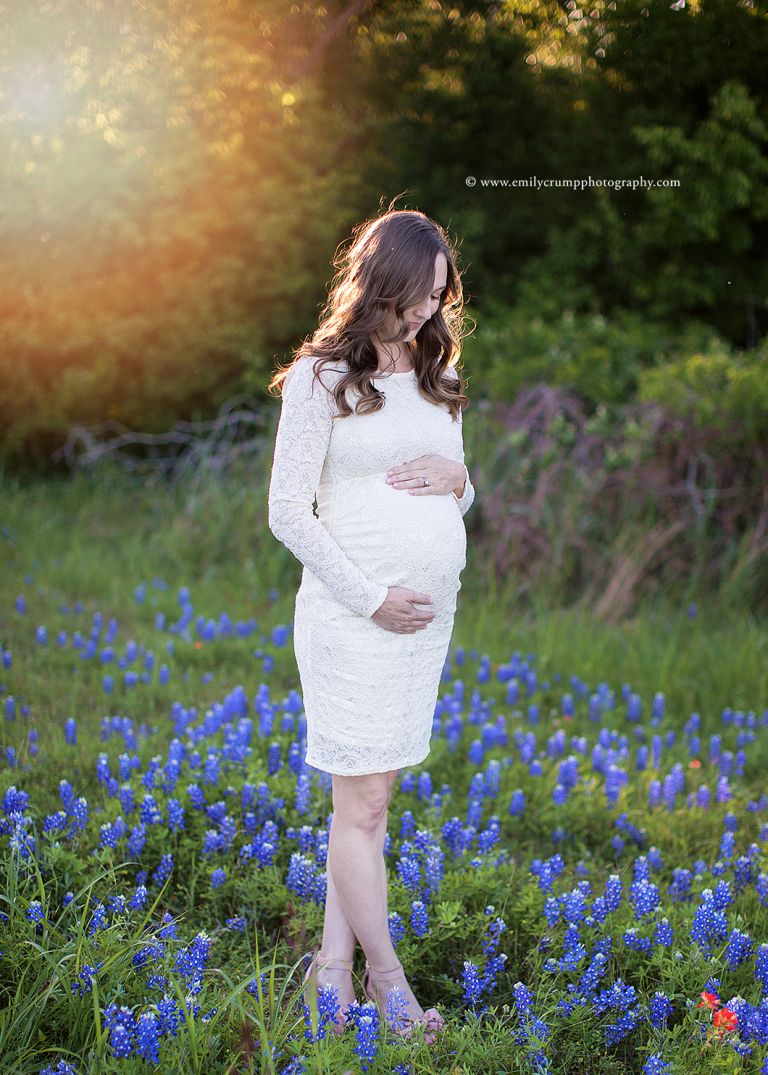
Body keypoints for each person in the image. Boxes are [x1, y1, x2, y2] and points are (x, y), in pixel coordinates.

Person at [267, 208, 475, 1041]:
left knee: (369, 802)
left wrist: (460, 477)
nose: (426, 312)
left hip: (424, 627)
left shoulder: (438, 376)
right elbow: (287, 510)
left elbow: (466, 493)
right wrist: (369, 595)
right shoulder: (322, 378)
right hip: (354, 619)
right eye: (413, 297)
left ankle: (328, 972)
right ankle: (388, 990)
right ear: (377, 283)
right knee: (360, 809)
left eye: (438, 297)